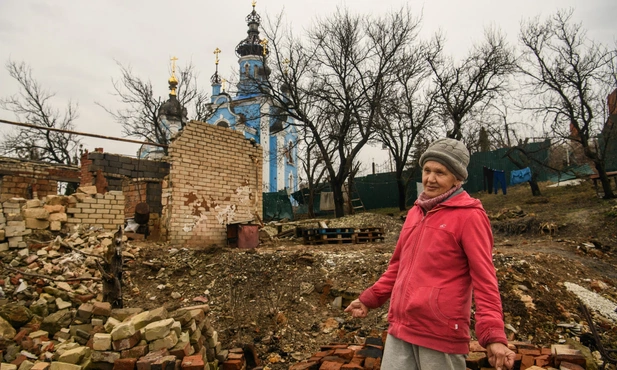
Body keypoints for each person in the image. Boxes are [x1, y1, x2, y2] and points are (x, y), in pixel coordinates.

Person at [345, 138, 515, 370]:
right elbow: (398, 266)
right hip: (402, 328)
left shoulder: (470, 216)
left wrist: (493, 335)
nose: (430, 179)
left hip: (440, 334)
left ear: (457, 178)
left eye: (440, 172)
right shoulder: (416, 211)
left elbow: (485, 280)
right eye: (427, 170)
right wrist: (369, 298)